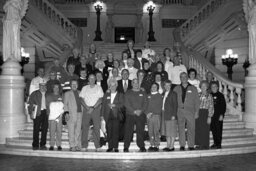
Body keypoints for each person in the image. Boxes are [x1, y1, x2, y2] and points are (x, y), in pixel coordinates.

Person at [174, 72, 200, 151]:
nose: (183, 78)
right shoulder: (176, 88)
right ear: (180, 78)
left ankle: (191, 145)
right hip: (179, 111)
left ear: (187, 77)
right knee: (181, 128)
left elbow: (197, 101)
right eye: (181, 77)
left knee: (191, 128)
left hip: (190, 111)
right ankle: (182, 145)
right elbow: (173, 101)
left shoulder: (193, 88)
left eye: (185, 76)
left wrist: (196, 112)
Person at [80, 74, 104, 152]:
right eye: (90, 78)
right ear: (88, 79)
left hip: (95, 109)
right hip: (86, 109)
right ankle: (84, 145)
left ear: (95, 79)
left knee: (97, 127)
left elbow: (100, 99)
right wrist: (87, 108)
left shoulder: (98, 87)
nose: (92, 80)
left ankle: (97, 145)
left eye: (93, 78)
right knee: (85, 127)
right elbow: (81, 99)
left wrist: (93, 108)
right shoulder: (84, 88)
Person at [124, 78, 148, 152]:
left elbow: (146, 103)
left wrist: (141, 111)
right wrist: (134, 111)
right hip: (130, 114)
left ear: (139, 83)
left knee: (140, 130)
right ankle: (126, 146)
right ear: (131, 84)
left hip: (140, 114)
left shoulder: (143, 92)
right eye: (134, 83)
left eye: (137, 82)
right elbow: (126, 103)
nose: (135, 84)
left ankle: (141, 146)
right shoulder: (128, 92)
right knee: (128, 131)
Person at [101, 79, 124, 152]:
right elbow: (103, 105)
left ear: (116, 86)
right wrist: (101, 115)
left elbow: (122, 104)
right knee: (109, 131)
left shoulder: (120, 94)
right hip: (107, 115)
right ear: (109, 86)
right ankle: (110, 146)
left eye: (114, 85)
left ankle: (116, 147)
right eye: (111, 85)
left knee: (116, 131)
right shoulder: (106, 94)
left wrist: (114, 105)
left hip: (116, 114)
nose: (112, 87)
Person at [27, 82, 48, 150]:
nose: (43, 87)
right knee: (36, 128)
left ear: (45, 86)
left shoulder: (48, 93)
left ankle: (43, 144)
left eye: (44, 85)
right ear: (39, 86)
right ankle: (35, 144)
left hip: (46, 112)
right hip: (37, 112)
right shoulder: (34, 93)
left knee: (44, 129)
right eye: (41, 85)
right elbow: (30, 103)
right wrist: (30, 113)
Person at [64, 79, 83, 152]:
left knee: (78, 130)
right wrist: (66, 113)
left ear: (77, 85)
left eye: (75, 84)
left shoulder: (80, 93)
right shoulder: (67, 93)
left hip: (80, 113)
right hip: (71, 114)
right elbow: (65, 104)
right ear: (70, 86)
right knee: (71, 131)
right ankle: (72, 146)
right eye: (73, 84)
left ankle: (77, 145)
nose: (74, 86)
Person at [195, 81, 214, 150]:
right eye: (202, 86)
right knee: (198, 129)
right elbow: (195, 104)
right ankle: (199, 144)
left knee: (205, 130)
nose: (203, 87)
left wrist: (209, 116)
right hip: (198, 112)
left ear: (207, 87)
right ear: (200, 87)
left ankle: (205, 144)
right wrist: (195, 113)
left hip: (206, 113)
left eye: (204, 86)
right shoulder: (198, 95)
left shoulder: (209, 95)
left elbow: (211, 106)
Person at [145, 83, 163, 152]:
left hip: (156, 115)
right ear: (150, 88)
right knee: (150, 131)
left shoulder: (159, 96)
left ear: (157, 88)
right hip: (149, 116)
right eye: (152, 86)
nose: (154, 88)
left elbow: (159, 106)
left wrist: (151, 113)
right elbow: (145, 105)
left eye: (155, 87)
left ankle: (156, 144)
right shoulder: (148, 95)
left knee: (156, 131)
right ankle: (152, 144)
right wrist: (147, 113)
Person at [161, 80, 178, 151]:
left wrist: (174, 114)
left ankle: (172, 146)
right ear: (164, 86)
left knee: (172, 131)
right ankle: (168, 145)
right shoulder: (163, 93)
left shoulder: (173, 93)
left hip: (171, 114)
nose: (167, 87)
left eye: (169, 85)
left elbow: (175, 105)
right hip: (164, 114)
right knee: (167, 131)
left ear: (171, 86)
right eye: (166, 85)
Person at [46, 82, 64, 151]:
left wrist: (60, 114)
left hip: (59, 117)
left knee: (59, 131)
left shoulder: (61, 96)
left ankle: (59, 145)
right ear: (52, 88)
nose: (56, 89)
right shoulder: (49, 96)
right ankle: (52, 145)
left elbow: (62, 106)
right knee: (52, 131)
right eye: (55, 87)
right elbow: (48, 107)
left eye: (57, 87)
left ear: (59, 89)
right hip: (52, 117)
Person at [210, 81, 226, 149]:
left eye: (215, 86)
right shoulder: (210, 95)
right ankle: (215, 143)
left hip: (218, 116)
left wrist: (222, 115)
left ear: (217, 87)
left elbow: (223, 106)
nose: (214, 88)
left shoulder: (221, 95)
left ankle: (218, 144)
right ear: (211, 88)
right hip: (212, 116)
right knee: (213, 130)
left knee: (218, 130)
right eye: (212, 87)